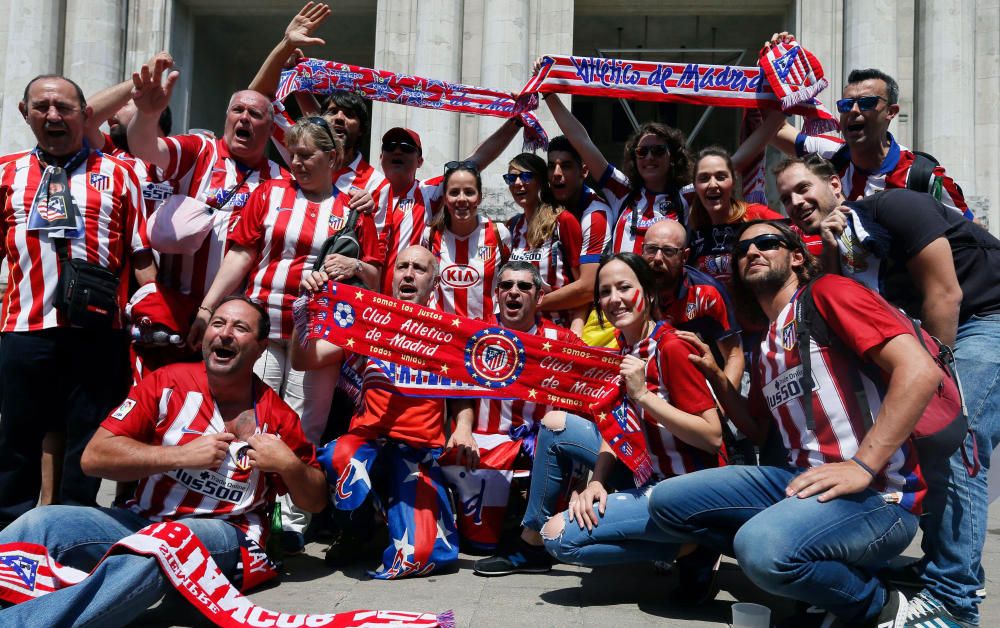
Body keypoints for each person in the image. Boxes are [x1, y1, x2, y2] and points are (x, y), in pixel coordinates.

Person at [648, 221, 943, 627]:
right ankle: (818, 569)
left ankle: (878, 605)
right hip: (799, 484)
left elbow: (920, 371)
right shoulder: (767, 341)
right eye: (741, 250)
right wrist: (717, 376)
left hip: (879, 496)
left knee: (761, 549)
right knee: (668, 502)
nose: (751, 252)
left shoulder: (828, 293)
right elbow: (755, 429)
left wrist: (862, 465)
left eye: (767, 243)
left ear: (797, 257)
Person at [0, 296, 326, 625]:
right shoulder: (166, 382)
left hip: (229, 538)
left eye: (240, 328)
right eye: (218, 323)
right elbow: (94, 457)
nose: (224, 333)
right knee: (43, 523)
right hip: (142, 523)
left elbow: (315, 501)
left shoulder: (278, 416)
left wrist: (289, 466)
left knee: (163, 545)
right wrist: (179, 456)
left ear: (259, 347)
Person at [774, 154, 1000, 626]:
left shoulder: (896, 205)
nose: (795, 202)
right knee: (918, 432)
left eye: (802, 189)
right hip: (932, 330)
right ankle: (938, 561)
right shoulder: (838, 248)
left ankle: (955, 602)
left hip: (986, 317)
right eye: (785, 198)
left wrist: (936, 389)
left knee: (956, 437)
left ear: (836, 184)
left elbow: (946, 297)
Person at [474, 253, 722, 578]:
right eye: (605, 292)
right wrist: (597, 483)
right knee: (555, 425)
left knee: (560, 538)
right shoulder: (625, 345)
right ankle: (529, 544)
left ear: (647, 292)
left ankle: (691, 547)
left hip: (678, 487)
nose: (614, 299)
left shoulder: (670, 348)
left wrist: (644, 396)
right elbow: (616, 424)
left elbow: (712, 437)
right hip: (639, 466)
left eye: (623, 288)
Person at [0, 75, 157, 528]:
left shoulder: (121, 173)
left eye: (65, 108)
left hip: (97, 333)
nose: (53, 116)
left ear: (84, 115)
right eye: (43, 107)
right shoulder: (7, 174)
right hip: (25, 330)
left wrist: (150, 312)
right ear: (24, 112)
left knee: (84, 447)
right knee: (16, 445)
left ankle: (68, 542)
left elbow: (141, 252)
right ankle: (8, 546)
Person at [291, 245, 460, 577]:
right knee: (341, 456)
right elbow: (303, 360)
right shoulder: (366, 321)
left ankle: (395, 525)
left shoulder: (448, 330)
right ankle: (356, 531)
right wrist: (306, 313)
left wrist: (463, 427)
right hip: (367, 443)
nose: (409, 274)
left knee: (424, 557)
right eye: (403, 267)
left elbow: (467, 391)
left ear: (434, 283)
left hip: (418, 452)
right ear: (392, 277)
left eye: (419, 269)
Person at [441, 261, 581, 551]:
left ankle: (536, 536)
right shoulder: (476, 333)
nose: (514, 292)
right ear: (496, 294)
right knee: (459, 451)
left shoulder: (563, 340)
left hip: (544, 440)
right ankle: (487, 532)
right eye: (506, 286)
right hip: (485, 437)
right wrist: (464, 427)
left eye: (524, 286)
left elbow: (581, 395)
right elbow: (459, 389)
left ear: (539, 297)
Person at [127, 57, 290, 303]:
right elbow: (144, 147)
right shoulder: (200, 150)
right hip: (175, 306)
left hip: (236, 317)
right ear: (227, 118)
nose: (244, 117)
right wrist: (147, 115)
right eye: (237, 110)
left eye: (255, 114)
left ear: (269, 130)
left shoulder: (282, 180)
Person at [764, 33, 969, 219]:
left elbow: (973, 232)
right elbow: (775, 130)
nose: (853, 110)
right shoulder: (832, 154)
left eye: (866, 103)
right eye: (845, 105)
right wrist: (773, 71)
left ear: (891, 112)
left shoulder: (922, 176)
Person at [250, 2, 385, 199]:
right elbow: (256, 101)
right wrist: (286, 45)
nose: (339, 118)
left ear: (363, 128)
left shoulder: (377, 184)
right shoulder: (301, 147)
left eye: (349, 114)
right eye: (332, 112)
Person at [376, 122, 521, 293]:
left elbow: (477, 160)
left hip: (408, 305)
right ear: (381, 156)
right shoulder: (364, 193)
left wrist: (516, 122)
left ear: (420, 161)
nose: (397, 151)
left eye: (407, 147)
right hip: (366, 305)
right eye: (390, 146)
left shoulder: (428, 192)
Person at [541, 93, 693, 254]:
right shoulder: (622, 191)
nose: (649, 157)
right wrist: (549, 94)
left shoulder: (688, 197)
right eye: (642, 152)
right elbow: (582, 141)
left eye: (658, 151)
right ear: (634, 158)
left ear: (673, 158)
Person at [641, 219, 743, 389]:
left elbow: (734, 356)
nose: (658, 258)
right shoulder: (632, 287)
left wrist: (723, 406)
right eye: (651, 249)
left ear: (684, 256)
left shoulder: (707, 293)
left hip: (704, 384)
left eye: (668, 251)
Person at [536, 135, 613, 333]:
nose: (556, 173)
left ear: (584, 171)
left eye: (566, 166)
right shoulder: (543, 205)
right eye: (551, 166)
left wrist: (530, 304)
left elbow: (588, 287)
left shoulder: (596, 215)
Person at [504, 152, 584, 329]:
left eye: (525, 176)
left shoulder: (563, 221)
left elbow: (583, 288)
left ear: (541, 181)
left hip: (557, 329)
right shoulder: (511, 226)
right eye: (512, 178)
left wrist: (576, 331)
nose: (518, 183)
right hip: (519, 329)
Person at [685, 146, 785, 285]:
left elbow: (797, 236)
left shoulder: (756, 214)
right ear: (695, 185)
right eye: (704, 178)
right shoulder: (692, 228)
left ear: (733, 181)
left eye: (721, 177)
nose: (713, 184)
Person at [423, 162, 510, 320]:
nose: (461, 199)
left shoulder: (499, 234)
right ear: (445, 197)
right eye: (454, 192)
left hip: (485, 335)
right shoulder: (430, 235)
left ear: (480, 197)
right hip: (443, 334)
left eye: (469, 192)